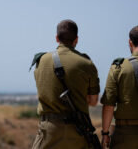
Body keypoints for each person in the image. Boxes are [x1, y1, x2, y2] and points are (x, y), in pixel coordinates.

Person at [32, 19, 100, 149]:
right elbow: (93, 101)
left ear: (57, 38)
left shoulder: (41, 61)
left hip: (49, 130)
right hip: (78, 131)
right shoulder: (87, 64)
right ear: (76, 39)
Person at [101, 25, 138, 149]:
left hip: (125, 135)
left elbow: (108, 105)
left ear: (130, 42)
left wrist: (105, 133)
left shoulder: (119, 67)